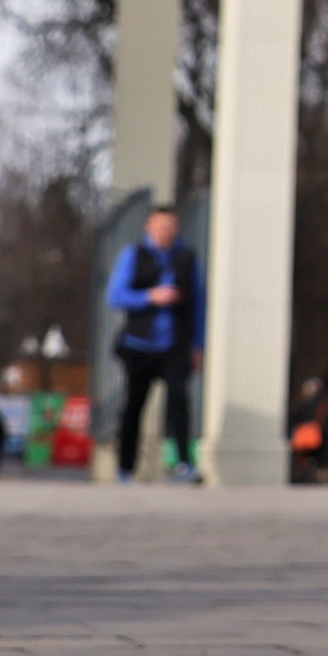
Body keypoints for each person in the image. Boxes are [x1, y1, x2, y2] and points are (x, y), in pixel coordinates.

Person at [105, 203, 204, 483]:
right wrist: (151, 296)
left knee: (179, 401)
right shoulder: (133, 255)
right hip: (138, 345)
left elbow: (198, 303)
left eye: (170, 225)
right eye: (160, 225)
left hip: (175, 344)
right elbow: (115, 296)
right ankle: (125, 468)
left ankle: (184, 463)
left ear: (177, 228)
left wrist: (199, 344)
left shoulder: (186, 258)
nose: (165, 230)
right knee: (134, 406)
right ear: (149, 226)